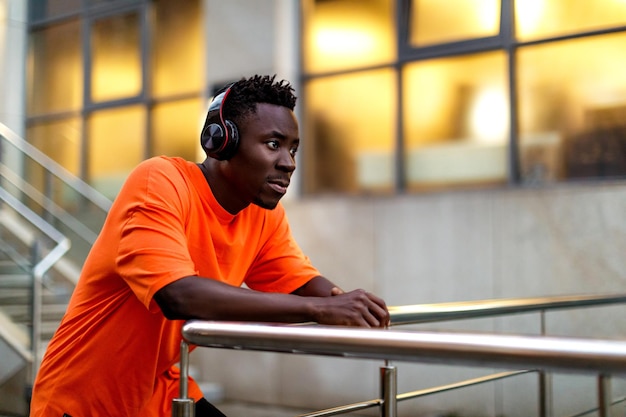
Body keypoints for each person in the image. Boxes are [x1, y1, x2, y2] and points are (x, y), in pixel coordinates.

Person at [29, 74, 390, 417]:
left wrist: (348, 303)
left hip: (162, 391)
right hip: (81, 399)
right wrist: (318, 310)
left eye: (293, 148)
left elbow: (305, 287)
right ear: (221, 141)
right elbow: (178, 295)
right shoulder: (160, 181)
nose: (288, 162)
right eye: (273, 144)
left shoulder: (263, 215)